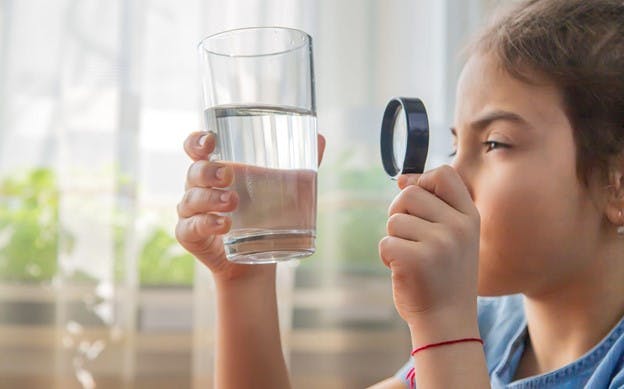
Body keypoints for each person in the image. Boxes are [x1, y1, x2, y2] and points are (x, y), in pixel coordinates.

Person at [175, 0, 624, 387]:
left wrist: (445, 326)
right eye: (454, 145)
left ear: (617, 186)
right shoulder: (487, 329)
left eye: (495, 143)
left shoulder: (463, 330)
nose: (448, 176)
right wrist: (244, 281)